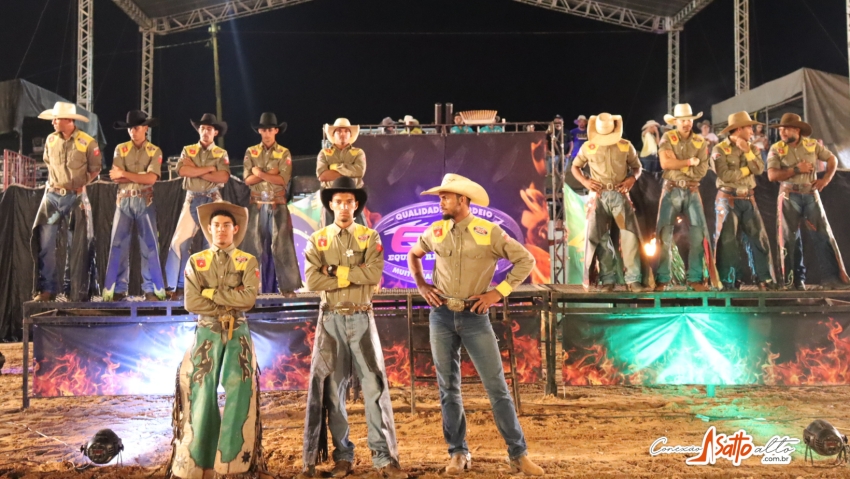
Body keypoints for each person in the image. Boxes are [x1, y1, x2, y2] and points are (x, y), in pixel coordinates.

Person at [407, 174, 544, 477]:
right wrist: (421, 286)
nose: (440, 201)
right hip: (441, 315)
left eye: (445, 197)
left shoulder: (488, 232)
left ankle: (518, 455)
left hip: (474, 315)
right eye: (440, 196)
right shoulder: (437, 230)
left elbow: (526, 261)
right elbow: (413, 255)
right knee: (448, 389)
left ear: (463, 200)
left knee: (497, 388)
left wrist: (497, 293)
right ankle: (457, 453)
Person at [299, 176, 407, 479]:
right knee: (333, 393)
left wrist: (333, 270)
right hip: (330, 319)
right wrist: (353, 273)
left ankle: (384, 459)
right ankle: (343, 458)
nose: (344, 206)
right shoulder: (317, 239)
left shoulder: (369, 237)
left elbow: (373, 273)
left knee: (374, 388)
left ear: (356, 205)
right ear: (330, 205)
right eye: (338, 201)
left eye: (349, 201)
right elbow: (312, 281)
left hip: (362, 317)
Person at [167, 201, 268, 479]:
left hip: (239, 331)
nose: (221, 230)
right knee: (201, 391)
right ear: (208, 230)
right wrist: (227, 297)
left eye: (226, 225)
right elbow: (191, 301)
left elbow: (247, 300)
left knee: (240, 388)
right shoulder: (196, 261)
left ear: (235, 229)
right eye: (216, 226)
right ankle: (198, 463)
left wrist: (210, 293)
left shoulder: (247, 261)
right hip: (207, 331)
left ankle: (235, 464)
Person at [767, 113, 850, 290]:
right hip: (788, 194)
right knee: (789, 239)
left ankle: (832, 279)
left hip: (811, 192)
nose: (782, 132)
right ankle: (792, 281)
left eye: (786, 128)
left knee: (823, 235)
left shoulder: (812, 145)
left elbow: (832, 159)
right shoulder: (776, 148)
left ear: (797, 129)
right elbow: (772, 175)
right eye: (781, 129)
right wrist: (796, 169)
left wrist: (826, 179)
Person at [571, 113, 651, 292]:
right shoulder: (588, 147)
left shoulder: (625, 146)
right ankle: (608, 279)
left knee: (629, 236)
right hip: (598, 196)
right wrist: (585, 181)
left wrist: (632, 179)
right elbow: (575, 167)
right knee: (599, 237)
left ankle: (633, 280)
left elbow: (637, 167)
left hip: (619, 194)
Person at [31, 101, 101, 302]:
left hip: (74, 197)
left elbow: (95, 169)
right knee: (45, 242)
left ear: (68, 121)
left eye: (57, 118)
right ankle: (48, 289)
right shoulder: (51, 140)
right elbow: (47, 161)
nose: (53, 122)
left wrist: (83, 184)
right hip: (52, 196)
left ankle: (72, 289)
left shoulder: (87, 142)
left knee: (75, 243)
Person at [164, 114, 231, 300]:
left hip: (212, 199)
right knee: (178, 242)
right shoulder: (188, 150)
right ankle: (176, 286)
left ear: (215, 132)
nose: (205, 131)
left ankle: (211, 288)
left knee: (214, 244)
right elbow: (183, 171)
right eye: (202, 128)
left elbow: (223, 177)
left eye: (209, 129)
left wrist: (197, 171)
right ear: (199, 130)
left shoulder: (220, 153)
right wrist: (209, 169)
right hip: (192, 198)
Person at [103, 110, 166, 301]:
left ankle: (151, 290)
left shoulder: (155, 151)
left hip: (144, 199)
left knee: (149, 245)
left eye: (136, 128)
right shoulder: (120, 149)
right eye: (130, 128)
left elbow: (151, 179)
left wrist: (127, 174)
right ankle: (117, 290)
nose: (133, 131)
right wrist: (138, 176)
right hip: (124, 199)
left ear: (145, 128)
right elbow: (115, 176)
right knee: (117, 244)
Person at [656, 103, 720, 291]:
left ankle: (695, 278)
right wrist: (689, 162)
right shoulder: (668, 137)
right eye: (683, 120)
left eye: (689, 120)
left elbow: (701, 170)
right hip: (672, 189)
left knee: (698, 234)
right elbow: (665, 163)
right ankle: (662, 278)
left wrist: (679, 164)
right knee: (664, 234)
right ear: (676, 122)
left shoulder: (700, 142)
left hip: (691, 189)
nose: (687, 124)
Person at [711, 111, 778, 290]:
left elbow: (759, 169)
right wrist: (746, 170)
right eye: (749, 127)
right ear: (739, 129)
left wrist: (748, 152)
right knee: (728, 241)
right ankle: (730, 280)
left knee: (759, 238)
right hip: (728, 198)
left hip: (748, 198)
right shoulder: (719, 149)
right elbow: (724, 174)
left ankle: (764, 278)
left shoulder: (753, 148)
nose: (752, 130)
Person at [242, 112, 302, 296]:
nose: (266, 133)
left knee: (282, 244)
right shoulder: (251, 151)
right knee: (252, 245)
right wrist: (271, 173)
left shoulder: (284, 152)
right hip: (257, 203)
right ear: (259, 131)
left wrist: (259, 173)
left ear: (276, 130)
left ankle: (288, 287)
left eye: (270, 129)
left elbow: (283, 180)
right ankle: (249, 286)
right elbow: (247, 180)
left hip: (278, 202)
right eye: (263, 129)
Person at [317, 118, 367, 226]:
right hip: (330, 199)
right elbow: (322, 175)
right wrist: (349, 171)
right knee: (329, 236)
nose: (342, 134)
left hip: (354, 198)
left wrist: (334, 167)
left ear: (350, 134)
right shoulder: (324, 153)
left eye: (346, 131)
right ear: (333, 134)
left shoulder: (358, 152)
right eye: (339, 131)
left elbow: (359, 172)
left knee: (360, 235)